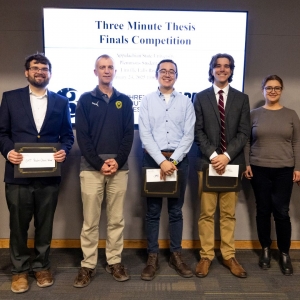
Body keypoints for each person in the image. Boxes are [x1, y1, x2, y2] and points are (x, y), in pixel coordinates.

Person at [0, 53, 74, 293]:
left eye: (44, 68)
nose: (40, 71)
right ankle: (19, 271)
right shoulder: (10, 98)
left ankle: (42, 266)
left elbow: (67, 136)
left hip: (49, 176)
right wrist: (8, 151)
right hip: (17, 176)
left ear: (50, 73)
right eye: (35, 68)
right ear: (27, 72)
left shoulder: (61, 102)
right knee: (18, 225)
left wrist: (64, 150)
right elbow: (2, 133)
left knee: (45, 224)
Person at [74, 54, 134, 287]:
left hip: (120, 169)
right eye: (102, 67)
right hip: (91, 169)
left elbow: (129, 135)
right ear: (95, 72)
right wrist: (100, 164)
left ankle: (114, 261)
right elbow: (83, 136)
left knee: (116, 219)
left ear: (115, 72)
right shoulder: (85, 100)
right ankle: (88, 265)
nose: (107, 71)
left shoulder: (125, 101)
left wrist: (117, 161)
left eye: (110, 67)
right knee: (90, 221)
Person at [193, 53, 250, 278]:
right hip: (207, 164)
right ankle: (206, 256)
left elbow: (244, 132)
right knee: (206, 213)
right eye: (218, 66)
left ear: (231, 70)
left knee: (228, 214)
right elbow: (197, 131)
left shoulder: (241, 98)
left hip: (232, 164)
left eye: (227, 66)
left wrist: (226, 156)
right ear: (212, 69)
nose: (222, 69)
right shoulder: (200, 97)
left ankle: (228, 255)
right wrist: (215, 155)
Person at [139, 59, 195, 280]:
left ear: (176, 76)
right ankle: (152, 256)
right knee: (152, 212)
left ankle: (175, 255)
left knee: (175, 211)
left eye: (172, 71)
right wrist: (161, 161)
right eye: (163, 71)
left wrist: (174, 161)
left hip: (179, 161)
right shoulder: (146, 101)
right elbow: (144, 134)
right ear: (156, 75)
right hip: (153, 160)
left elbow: (189, 135)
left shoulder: (186, 102)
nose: (167, 74)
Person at [244, 75, 300, 275]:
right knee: (263, 211)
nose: (273, 91)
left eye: (277, 88)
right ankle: (265, 250)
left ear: (281, 90)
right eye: (269, 88)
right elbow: (247, 142)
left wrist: (298, 168)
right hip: (259, 168)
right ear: (263, 90)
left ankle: (284, 253)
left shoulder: (291, 114)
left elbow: (296, 143)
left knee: (282, 212)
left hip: (284, 169)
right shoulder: (254, 114)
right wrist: (247, 163)